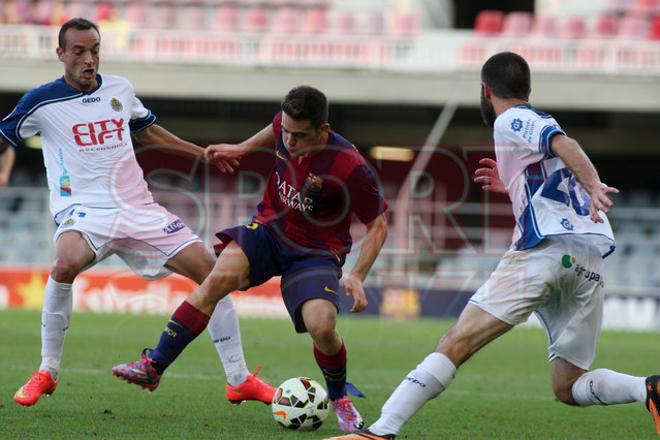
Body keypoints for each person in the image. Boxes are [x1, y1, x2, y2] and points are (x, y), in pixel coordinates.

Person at [326, 51, 660, 440]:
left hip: (544, 253)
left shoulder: (512, 118)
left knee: (456, 342)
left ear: (485, 91)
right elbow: (551, 168)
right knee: (568, 385)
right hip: (587, 258)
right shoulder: (527, 129)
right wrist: (516, 184)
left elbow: (564, 144)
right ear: (528, 87)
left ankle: (381, 430)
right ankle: (648, 389)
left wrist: (593, 183)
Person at [0, 18, 274, 407]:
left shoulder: (120, 89)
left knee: (215, 274)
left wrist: (201, 153)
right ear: (60, 54)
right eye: (78, 51)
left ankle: (239, 379)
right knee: (64, 266)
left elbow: (147, 130)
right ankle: (46, 371)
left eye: (94, 49)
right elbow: (4, 136)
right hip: (83, 210)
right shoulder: (40, 102)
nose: (88, 58)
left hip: (138, 207)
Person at [112, 85, 389, 432]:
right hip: (270, 229)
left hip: (316, 252)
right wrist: (242, 148)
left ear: (323, 129)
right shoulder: (284, 127)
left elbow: (378, 224)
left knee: (321, 325)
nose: (289, 141)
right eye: (285, 132)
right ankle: (154, 363)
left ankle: (339, 397)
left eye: (299, 136)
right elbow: (274, 127)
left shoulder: (349, 166)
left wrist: (358, 274)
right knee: (216, 279)